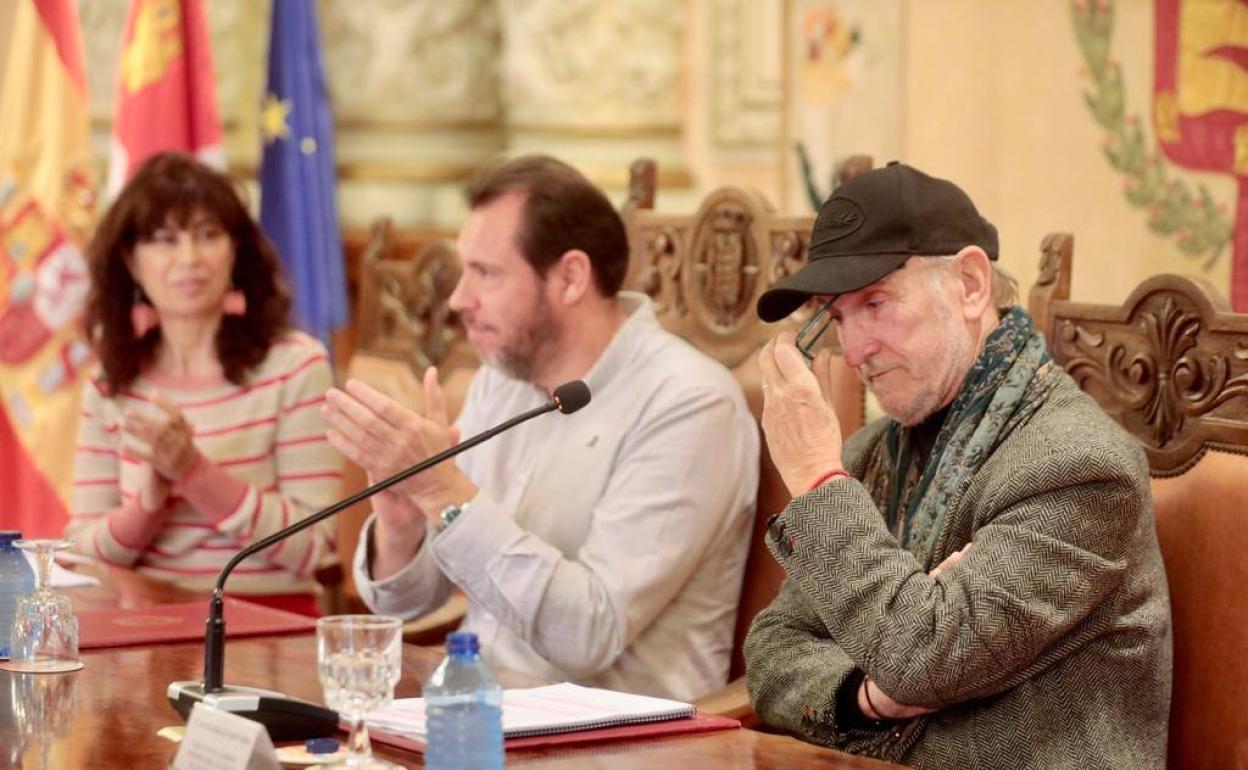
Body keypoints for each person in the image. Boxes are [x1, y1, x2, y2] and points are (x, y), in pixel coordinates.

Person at [743, 162, 1171, 768]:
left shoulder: (1080, 466)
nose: (855, 349)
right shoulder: (870, 453)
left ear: (970, 284)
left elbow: (918, 660)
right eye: (838, 318)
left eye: (876, 302)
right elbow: (771, 649)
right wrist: (867, 698)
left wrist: (816, 474)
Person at [325, 155, 758, 701]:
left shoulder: (688, 403)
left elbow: (587, 635)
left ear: (571, 277)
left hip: (623, 746)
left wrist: (445, 494)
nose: (459, 299)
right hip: (474, 714)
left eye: (486, 273)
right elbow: (407, 602)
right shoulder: (501, 380)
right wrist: (403, 523)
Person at [69, 153, 341, 614]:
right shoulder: (110, 380)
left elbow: (316, 547)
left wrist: (193, 473)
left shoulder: (295, 366)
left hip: (267, 621)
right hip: (144, 622)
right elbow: (81, 555)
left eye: (207, 235)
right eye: (164, 240)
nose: (189, 259)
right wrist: (151, 502)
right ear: (131, 263)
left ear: (235, 252)